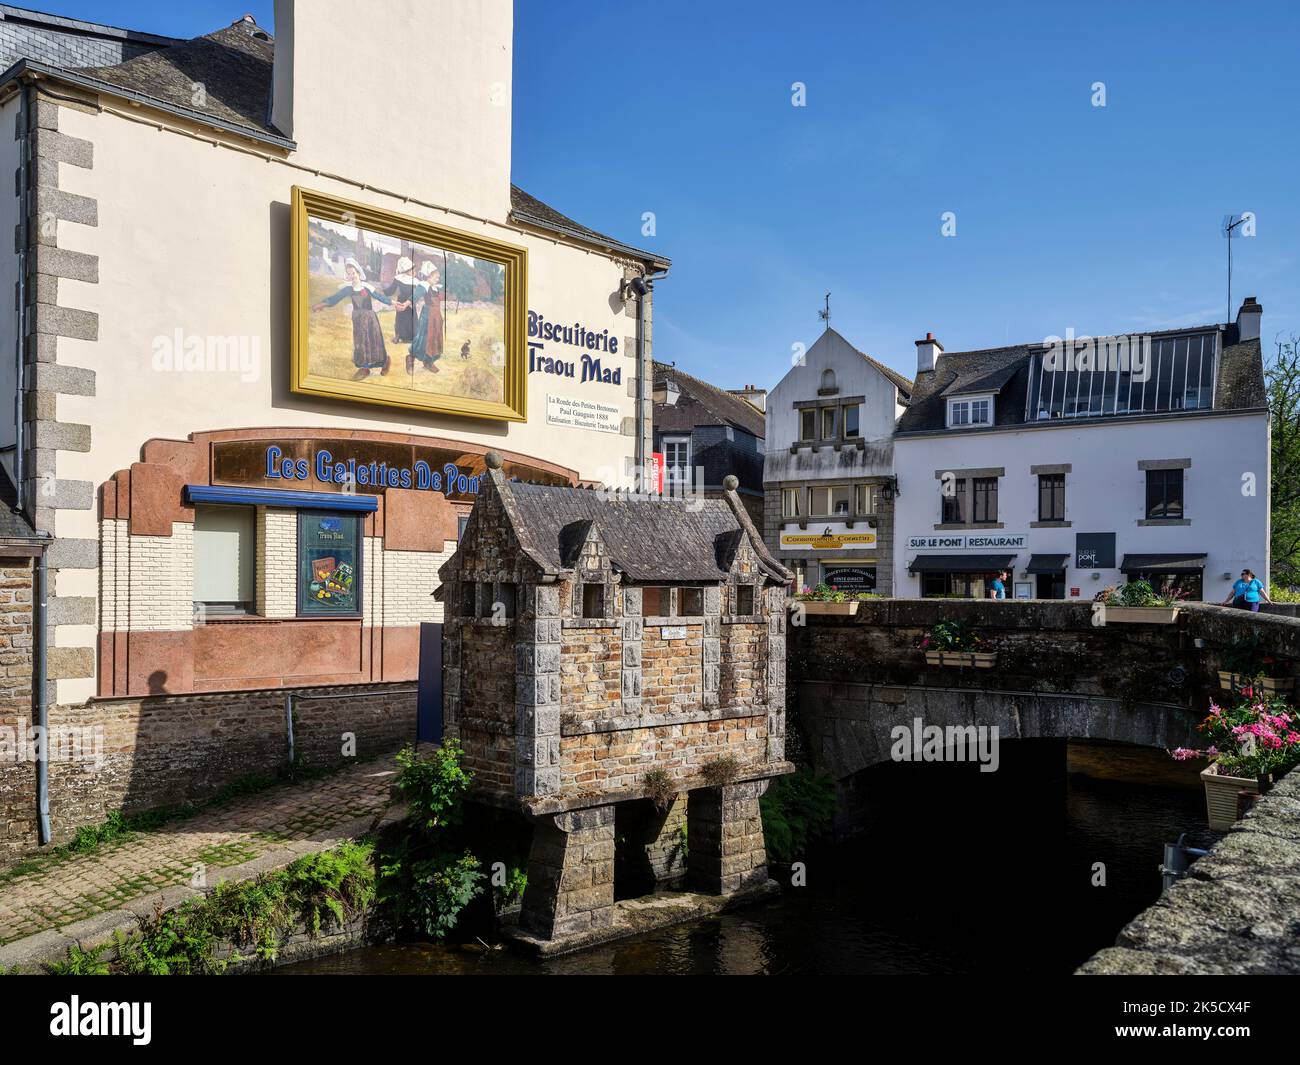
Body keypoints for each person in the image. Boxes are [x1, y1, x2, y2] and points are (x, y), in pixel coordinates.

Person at [312, 257, 391, 380]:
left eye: (353, 273)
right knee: (360, 342)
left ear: (358, 273)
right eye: (349, 274)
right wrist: (322, 304)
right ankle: (364, 368)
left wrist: (393, 303)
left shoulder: (366, 287)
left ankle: (385, 361)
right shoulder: (348, 288)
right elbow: (335, 298)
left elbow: (380, 297)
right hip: (358, 319)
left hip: (370, 318)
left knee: (374, 341)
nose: (351, 275)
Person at [408, 260, 445, 373]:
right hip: (428, 316)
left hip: (436, 317)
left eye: (438, 278)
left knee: (434, 339)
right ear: (428, 275)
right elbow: (415, 296)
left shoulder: (435, 287)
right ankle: (410, 359)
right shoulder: (424, 285)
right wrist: (407, 303)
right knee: (423, 339)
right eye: (435, 277)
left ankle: (428, 362)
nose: (437, 279)